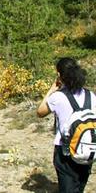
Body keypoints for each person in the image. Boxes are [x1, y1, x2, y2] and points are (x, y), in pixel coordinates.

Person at [37, 57, 95, 193]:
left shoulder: (58, 97)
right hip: (87, 148)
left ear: (59, 75)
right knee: (79, 187)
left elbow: (40, 112)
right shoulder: (90, 95)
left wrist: (52, 88)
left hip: (65, 151)